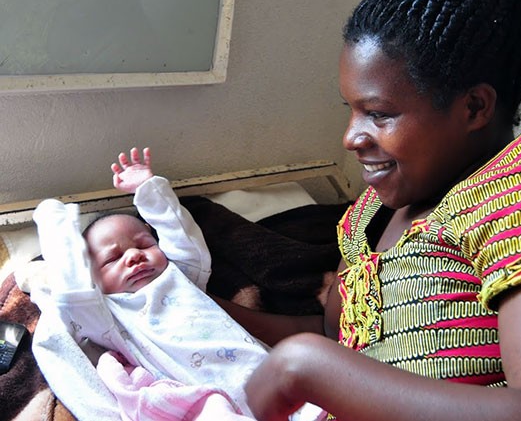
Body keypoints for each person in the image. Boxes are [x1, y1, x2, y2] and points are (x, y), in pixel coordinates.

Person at [210, 0, 521, 420]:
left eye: (378, 114)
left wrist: (303, 366)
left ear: (474, 108)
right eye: (352, 110)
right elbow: (334, 339)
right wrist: (190, 303)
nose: (351, 137)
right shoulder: (372, 213)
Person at [31, 148, 325, 421]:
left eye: (143, 245)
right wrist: (56, 230)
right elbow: (74, 293)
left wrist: (149, 190)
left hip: (261, 375)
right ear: (93, 278)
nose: (133, 256)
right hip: (209, 399)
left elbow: (183, 238)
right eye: (114, 258)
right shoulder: (108, 316)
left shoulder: (180, 275)